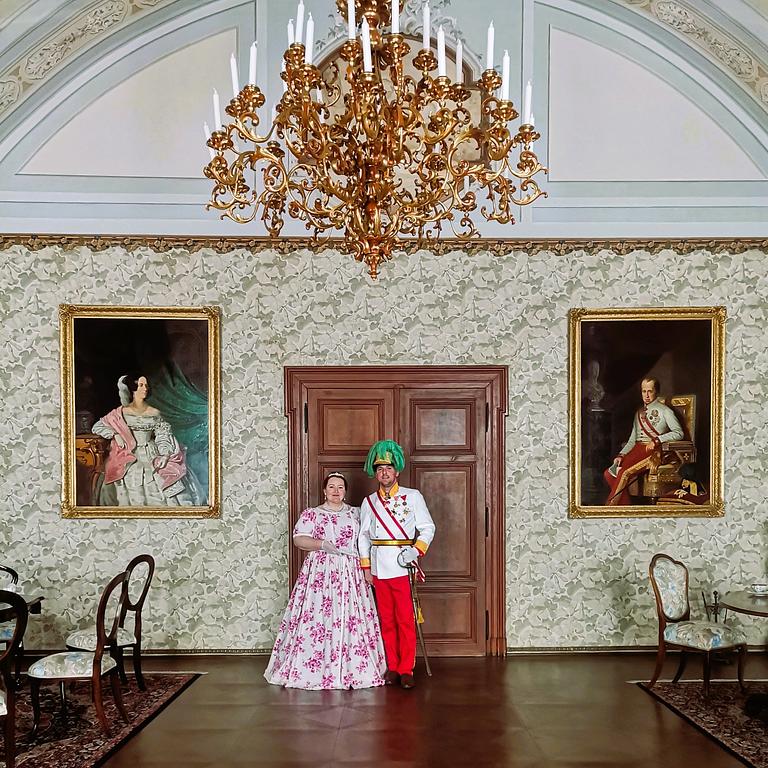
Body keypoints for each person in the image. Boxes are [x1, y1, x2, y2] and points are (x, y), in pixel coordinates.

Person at [264, 472, 386, 690]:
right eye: (331, 487)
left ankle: (353, 668)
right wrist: (321, 544)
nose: (336, 491)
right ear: (324, 490)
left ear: (345, 491)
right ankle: (316, 668)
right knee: (320, 616)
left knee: (351, 617)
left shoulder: (356, 513)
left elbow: (369, 538)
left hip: (351, 572)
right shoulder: (312, 514)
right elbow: (298, 539)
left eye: (340, 487)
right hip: (321, 573)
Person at [358, 440, 435, 690]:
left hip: (403, 566)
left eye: (388, 468)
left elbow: (427, 528)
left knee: (405, 620)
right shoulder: (369, 502)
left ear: (397, 471)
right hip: (379, 568)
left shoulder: (412, 497)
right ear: (375, 473)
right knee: (387, 620)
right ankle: (392, 666)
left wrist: (415, 550)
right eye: (380, 469)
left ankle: (406, 668)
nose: (384, 473)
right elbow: (363, 536)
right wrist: (366, 568)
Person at [92, 374, 196, 506]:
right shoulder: (120, 413)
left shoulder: (154, 412)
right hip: (127, 454)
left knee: (161, 476)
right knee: (127, 475)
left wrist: (165, 455)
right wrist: (115, 434)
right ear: (132, 389)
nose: (145, 388)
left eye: (146, 385)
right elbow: (97, 427)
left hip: (152, 452)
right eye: (141, 385)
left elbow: (163, 435)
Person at [603, 377, 684, 506]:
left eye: (650, 391)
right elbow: (632, 440)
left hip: (652, 451)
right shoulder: (639, 413)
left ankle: (612, 506)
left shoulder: (665, 411)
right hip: (636, 450)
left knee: (624, 473)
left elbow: (679, 433)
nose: (646, 395)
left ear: (656, 392)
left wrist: (657, 440)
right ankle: (624, 506)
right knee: (608, 473)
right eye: (643, 391)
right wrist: (621, 455)